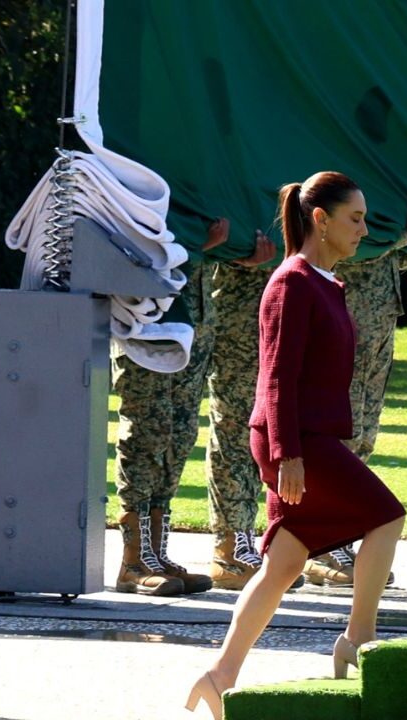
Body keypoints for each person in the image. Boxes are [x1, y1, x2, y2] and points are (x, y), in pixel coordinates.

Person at [186, 172, 406, 720]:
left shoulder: (327, 282)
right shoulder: (291, 282)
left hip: (311, 438)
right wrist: (288, 454)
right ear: (320, 220)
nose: (363, 228)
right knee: (387, 516)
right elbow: (276, 375)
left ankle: (219, 677)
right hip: (296, 441)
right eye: (354, 218)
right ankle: (358, 639)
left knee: (283, 565)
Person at [303, 202, 407, 586]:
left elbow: (389, 260)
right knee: (337, 438)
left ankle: (337, 539)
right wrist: (406, 235)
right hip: (347, 331)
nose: (363, 226)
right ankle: (322, 546)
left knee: (362, 436)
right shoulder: (337, 228)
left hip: (377, 332)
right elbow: (356, 252)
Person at [113, 218, 232, 597]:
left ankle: (156, 553)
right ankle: (132, 562)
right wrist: (201, 245)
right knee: (148, 431)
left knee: (178, 435)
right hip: (150, 318)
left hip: (195, 322)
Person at [203, 222, 284, 590]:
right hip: (239, 317)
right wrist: (233, 253)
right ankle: (231, 544)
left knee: (268, 436)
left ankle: (252, 538)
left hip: (279, 313)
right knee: (236, 432)